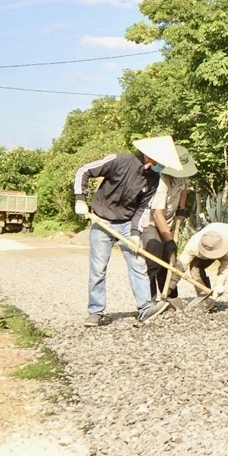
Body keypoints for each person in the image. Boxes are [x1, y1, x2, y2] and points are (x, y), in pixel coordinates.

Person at [74, 136, 177, 327]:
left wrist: (136, 233)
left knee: (138, 265)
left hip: (127, 224)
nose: (161, 165)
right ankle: (95, 312)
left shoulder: (153, 179)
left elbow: (143, 208)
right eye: (160, 161)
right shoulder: (118, 160)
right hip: (101, 220)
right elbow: (83, 170)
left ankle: (145, 308)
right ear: (150, 157)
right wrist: (80, 199)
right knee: (98, 268)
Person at [137, 142, 198, 301]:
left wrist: (181, 208)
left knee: (169, 261)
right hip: (151, 223)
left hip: (168, 222)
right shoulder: (162, 180)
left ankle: (169, 297)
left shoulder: (181, 175)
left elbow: (183, 188)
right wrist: (169, 240)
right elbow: (157, 214)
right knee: (153, 262)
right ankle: (148, 302)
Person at [174, 221, 228, 310]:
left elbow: (223, 273)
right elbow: (180, 266)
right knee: (195, 268)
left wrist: (214, 297)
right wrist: (170, 285)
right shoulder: (193, 245)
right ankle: (204, 298)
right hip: (212, 241)